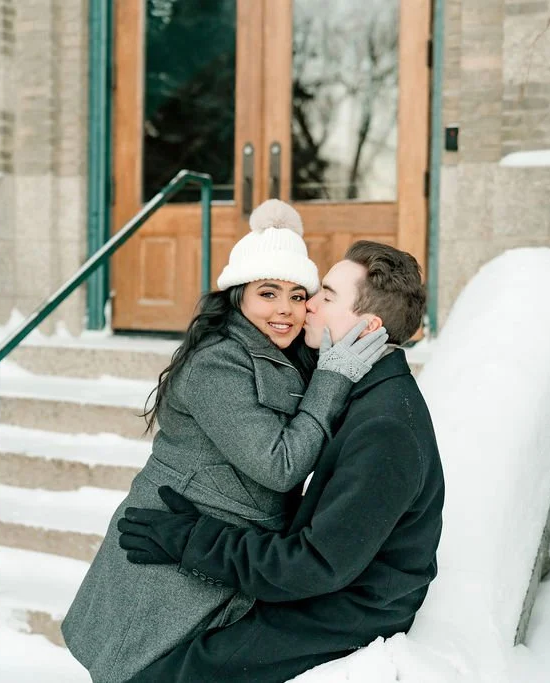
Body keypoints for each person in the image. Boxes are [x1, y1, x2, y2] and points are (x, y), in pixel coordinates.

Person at [61, 201, 389, 683]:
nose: (285, 309)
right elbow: (280, 465)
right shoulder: (219, 364)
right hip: (167, 553)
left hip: (220, 551)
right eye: (268, 292)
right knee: (142, 672)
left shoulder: (287, 354)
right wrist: (334, 378)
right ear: (237, 295)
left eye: (298, 295)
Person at [116, 240, 445, 683]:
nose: (306, 304)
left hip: (347, 609)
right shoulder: (361, 387)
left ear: (366, 327)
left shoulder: (385, 429)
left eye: (325, 296)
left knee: (167, 675)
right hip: (328, 585)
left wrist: (193, 540)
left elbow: (313, 565)